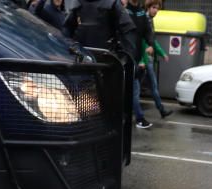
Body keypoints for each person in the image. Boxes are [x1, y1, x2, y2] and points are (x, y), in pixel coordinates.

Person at [129, 0, 171, 129]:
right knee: (139, 89)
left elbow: (150, 38)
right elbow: (141, 41)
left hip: (144, 60)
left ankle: (159, 110)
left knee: (142, 87)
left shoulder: (145, 17)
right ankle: (141, 117)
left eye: (157, 8)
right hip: (142, 59)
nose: (156, 10)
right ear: (148, 7)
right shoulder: (141, 16)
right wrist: (143, 59)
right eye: (154, 7)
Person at [63, 0, 138, 63]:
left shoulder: (112, 3)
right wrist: (69, 50)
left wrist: (126, 60)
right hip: (82, 61)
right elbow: (67, 29)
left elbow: (128, 29)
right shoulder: (78, 4)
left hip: (106, 62)